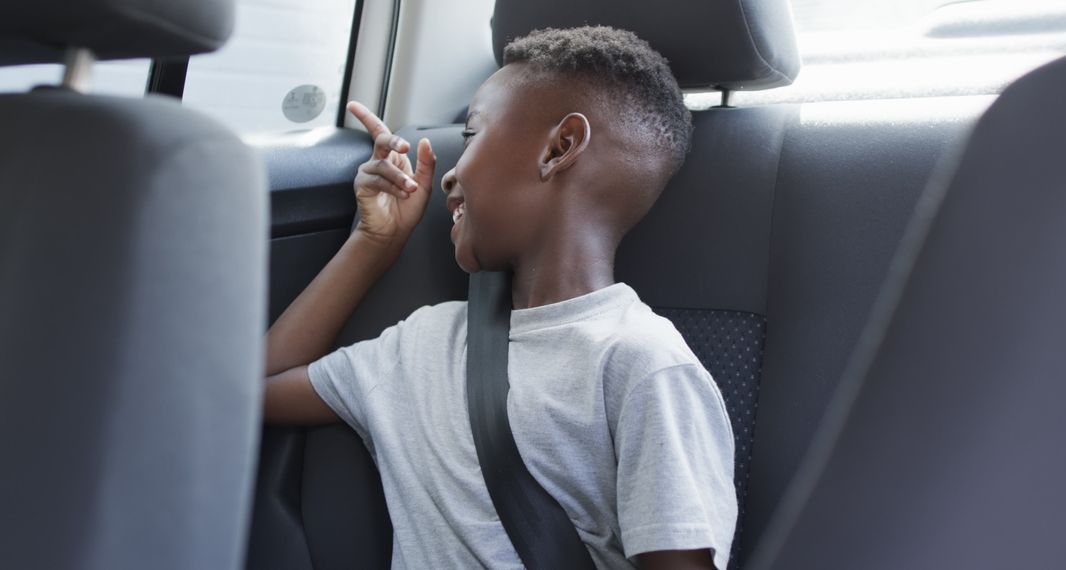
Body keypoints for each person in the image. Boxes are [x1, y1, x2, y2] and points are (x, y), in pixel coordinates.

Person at [263, 26, 737, 569]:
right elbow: (254, 390)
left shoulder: (642, 365)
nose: (449, 174)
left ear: (559, 149)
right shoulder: (421, 344)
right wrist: (373, 243)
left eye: (469, 135)